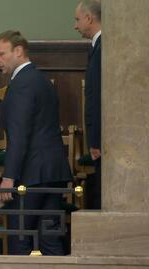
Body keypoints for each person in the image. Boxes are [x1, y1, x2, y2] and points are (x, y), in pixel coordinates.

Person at [0, 30, 73, 255]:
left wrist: (8, 177)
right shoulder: (41, 79)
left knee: (21, 239)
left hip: (30, 175)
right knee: (50, 241)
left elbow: (19, 135)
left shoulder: (22, 84)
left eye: (1, 54)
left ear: (18, 51)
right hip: (53, 172)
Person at [74, 0, 102, 209]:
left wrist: (96, 140)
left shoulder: (103, 48)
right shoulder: (97, 46)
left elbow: (98, 99)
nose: (75, 25)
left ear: (89, 18)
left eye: (77, 19)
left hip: (104, 139)